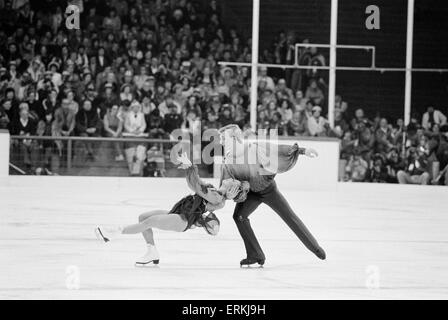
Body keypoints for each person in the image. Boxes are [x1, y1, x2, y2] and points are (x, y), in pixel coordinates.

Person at [95, 152, 250, 266]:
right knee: (143, 217)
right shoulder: (216, 191)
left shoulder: (218, 199)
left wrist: (191, 167)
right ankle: (151, 251)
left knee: (149, 221)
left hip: (183, 220)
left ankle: (112, 233)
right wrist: (191, 168)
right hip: (179, 212)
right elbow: (198, 182)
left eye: (233, 183)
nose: (230, 180)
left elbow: (195, 186)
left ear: (232, 192)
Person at [217, 124, 326, 267]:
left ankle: (316, 248)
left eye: (223, 139)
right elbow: (226, 189)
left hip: (269, 190)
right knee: (239, 216)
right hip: (252, 194)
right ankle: (255, 254)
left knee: (289, 216)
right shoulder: (227, 164)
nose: (220, 142)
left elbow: (279, 149)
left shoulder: (256, 148)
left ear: (235, 138)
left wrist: (304, 151)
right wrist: (230, 195)